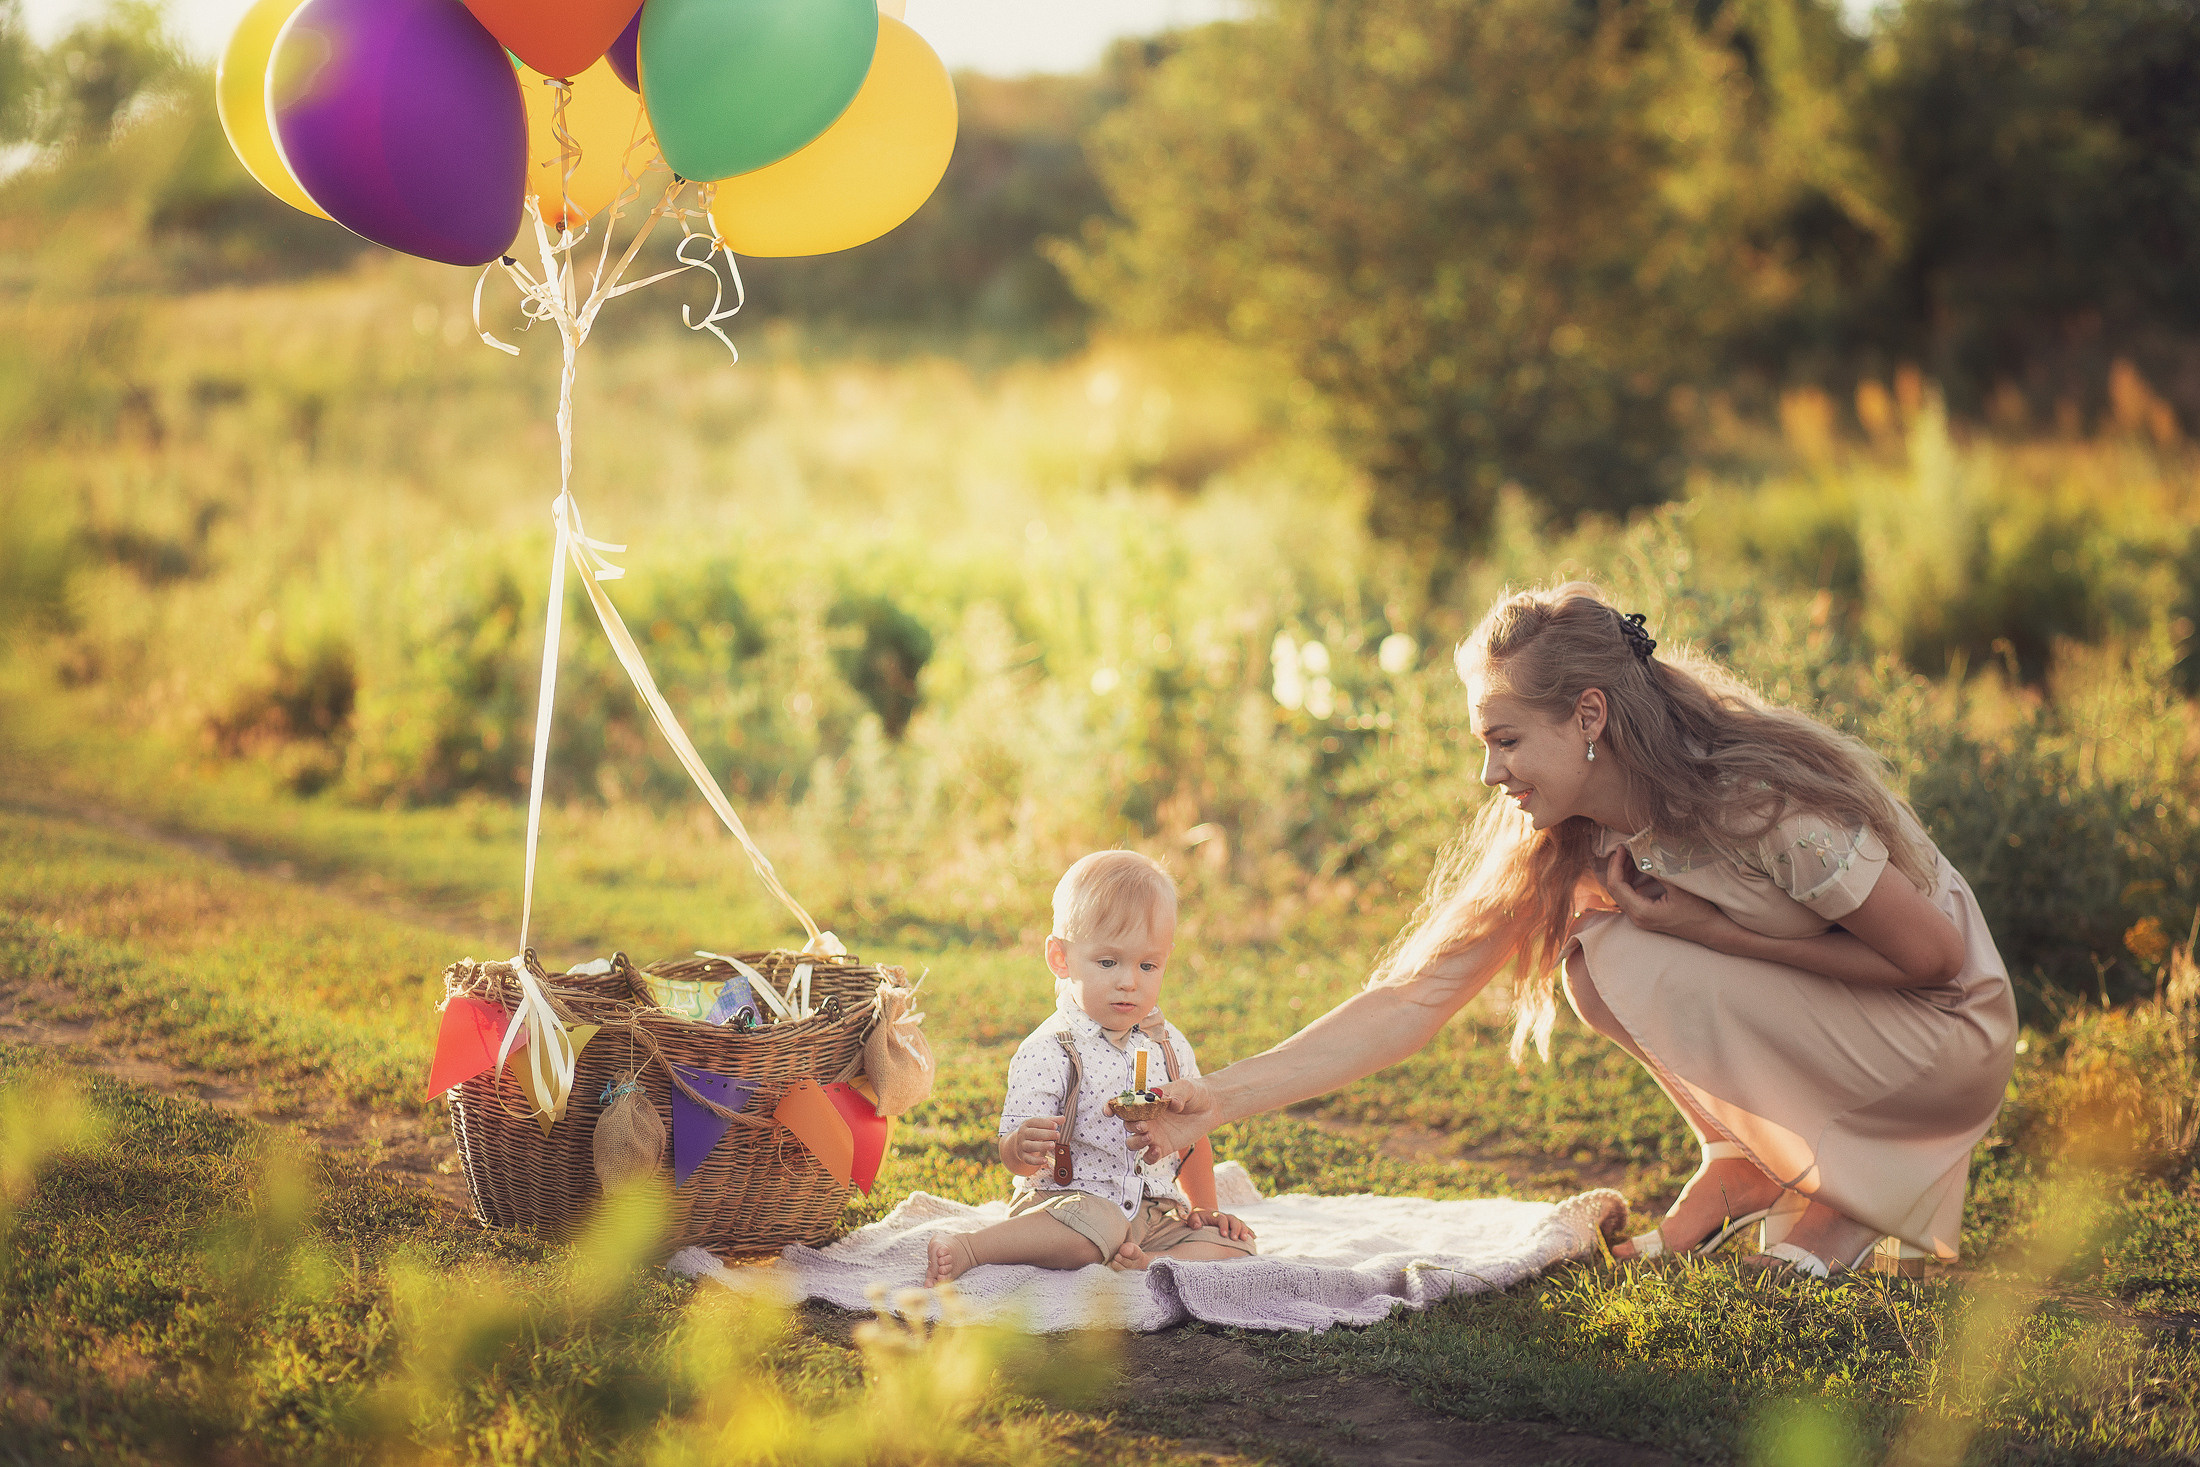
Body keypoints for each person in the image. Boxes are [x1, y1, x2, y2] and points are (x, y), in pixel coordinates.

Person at [1129, 583, 2017, 1279]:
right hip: (1848, 1022)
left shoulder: (1757, 802)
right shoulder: (1560, 833)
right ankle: (1744, 1158)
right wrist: (1219, 1096)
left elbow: (1934, 958)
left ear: (1588, 716)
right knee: (1601, 958)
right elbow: (1415, 997)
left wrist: (1716, 933)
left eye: (1506, 739)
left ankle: (1849, 1187)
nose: (1489, 771)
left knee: (1637, 955)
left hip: (1942, 1039)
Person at [925, 850, 1258, 1285]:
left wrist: (1204, 1208)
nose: (1129, 981)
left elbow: (1193, 1135)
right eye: (1108, 962)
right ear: (1061, 958)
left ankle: (1148, 1262)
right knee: (1098, 1226)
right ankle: (971, 1247)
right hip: (1067, 1208)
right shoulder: (1049, 1049)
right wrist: (1021, 1148)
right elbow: (1016, 1156)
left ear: (1165, 959)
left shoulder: (1169, 1044)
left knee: (1237, 1243)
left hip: (1151, 1211)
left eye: (1147, 965)